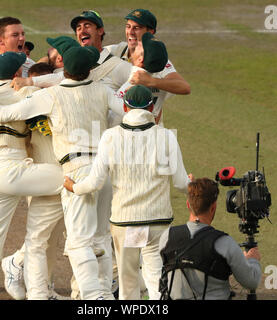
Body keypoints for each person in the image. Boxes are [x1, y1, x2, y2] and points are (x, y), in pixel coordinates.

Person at [0, 46, 126, 300]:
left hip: (74, 171)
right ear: (90, 69)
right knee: (100, 238)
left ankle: (93, 297)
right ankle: (102, 295)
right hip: (103, 170)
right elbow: (126, 112)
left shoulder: (51, 95)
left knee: (79, 242)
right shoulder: (103, 90)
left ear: (64, 69)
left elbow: (13, 112)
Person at [63, 85, 191, 300]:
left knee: (128, 282)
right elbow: (181, 183)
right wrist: (194, 186)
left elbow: (94, 182)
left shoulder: (110, 137)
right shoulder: (167, 136)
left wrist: (74, 187)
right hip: (158, 221)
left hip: (127, 222)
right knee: (156, 278)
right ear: (151, 107)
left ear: (124, 107)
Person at [0, 52, 65, 300]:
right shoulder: (23, 93)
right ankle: (77, 243)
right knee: (73, 177)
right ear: (16, 74)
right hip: (14, 169)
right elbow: (65, 83)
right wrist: (33, 82)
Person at [0, 37, 80, 301]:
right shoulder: (31, 95)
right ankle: (20, 270)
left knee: (53, 236)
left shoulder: (61, 87)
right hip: (42, 175)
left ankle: (43, 286)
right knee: (41, 236)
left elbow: (57, 78)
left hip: (62, 175)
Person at [159, 178, 262, 300]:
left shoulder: (167, 237)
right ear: (213, 207)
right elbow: (251, 282)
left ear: (188, 205)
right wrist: (252, 260)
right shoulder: (224, 243)